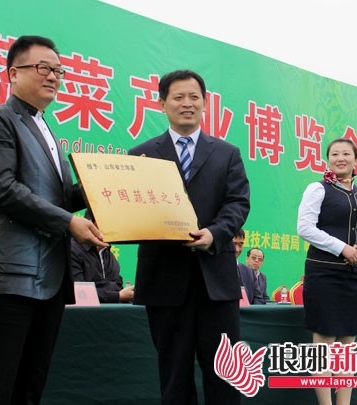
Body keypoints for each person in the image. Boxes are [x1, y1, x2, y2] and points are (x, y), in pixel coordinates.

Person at [0, 35, 107, 404]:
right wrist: (68, 223)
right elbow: (2, 188)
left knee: (29, 390)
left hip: (50, 282)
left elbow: (58, 199)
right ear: (13, 73)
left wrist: (106, 186)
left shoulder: (47, 130)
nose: (53, 76)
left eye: (59, 70)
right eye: (44, 68)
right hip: (6, 281)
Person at [129, 69, 250, 404]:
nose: (187, 103)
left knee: (226, 378)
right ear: (161, 103)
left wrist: (214, 234)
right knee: (174, 378)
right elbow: (130, 209)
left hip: (216, 283)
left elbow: (238, 203)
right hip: (164, 281)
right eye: (178, 97)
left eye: (194, 97)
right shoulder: (140, 155)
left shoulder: (227, 153)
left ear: (205, 103)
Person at [297, 138, 357, 405]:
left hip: (353, 277)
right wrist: (342, 248)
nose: (340, 158)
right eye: (334, 154)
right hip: (323, 274)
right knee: (323, 346)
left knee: (347, 347)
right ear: (328, 159)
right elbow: (305, 228)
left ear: (356, 160)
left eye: (346, 154)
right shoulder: (317, 189)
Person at [70, 240, 134, 303]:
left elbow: (117, 286)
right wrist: (118, 296)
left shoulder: (109, 255)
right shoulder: (72, 249)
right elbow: (79, 291)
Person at [233, 230, 267, 304]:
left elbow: (258, 298)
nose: (237, 249)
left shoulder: (249, 272)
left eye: (240, 245)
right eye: (233, 244)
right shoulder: (214, 268)